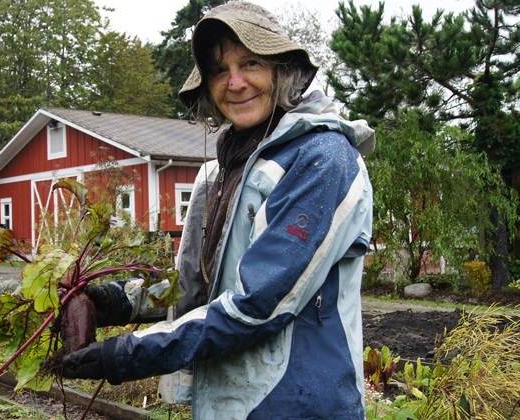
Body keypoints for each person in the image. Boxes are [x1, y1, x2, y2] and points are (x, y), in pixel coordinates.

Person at [61, 1, 375, 418]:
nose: (236, 82)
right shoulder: (221, 170)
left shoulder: (322, 160)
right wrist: (117, 302)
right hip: (228, 404)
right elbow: (198, 288)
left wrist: (128, 355)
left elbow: (258, 304)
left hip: (298, 405)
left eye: (251, 63)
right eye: (219, 70)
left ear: (282, 70)